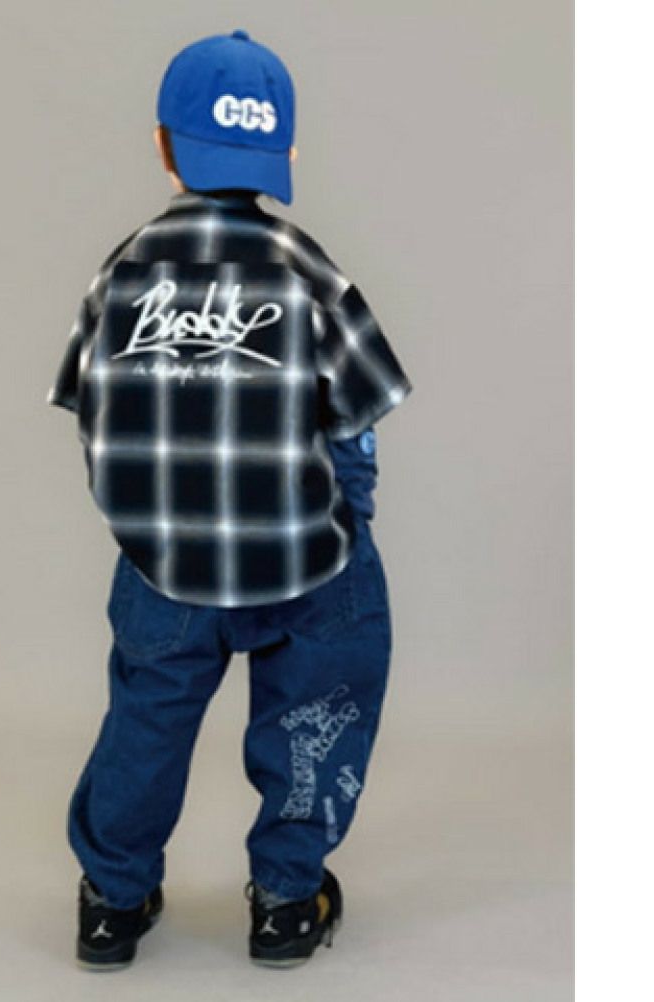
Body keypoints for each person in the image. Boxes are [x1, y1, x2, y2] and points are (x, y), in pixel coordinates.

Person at [48, 29, 414, 971]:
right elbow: (356, 424)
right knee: (316, 714)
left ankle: (112, 902)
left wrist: (141, 520)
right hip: (304, 555)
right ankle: (287, 899)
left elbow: (90, 413)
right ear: (281, 152)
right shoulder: (306, 268)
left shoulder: (122, 270)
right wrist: (350, 521)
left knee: (146, 725)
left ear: (164, 146)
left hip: (164, 563)